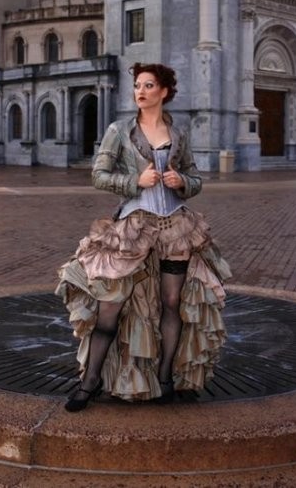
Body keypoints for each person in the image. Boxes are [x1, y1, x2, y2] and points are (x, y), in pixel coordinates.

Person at [56, 62, 231, 412]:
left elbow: (195, 177)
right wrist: (135, 182)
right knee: (110, 307)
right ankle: (89, 382)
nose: (141, 91)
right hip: (132, 227)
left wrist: (182, 182)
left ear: (164, 92)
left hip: (175, 229)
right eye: (138, 85)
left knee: (171, 304)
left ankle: (165, 377)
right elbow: (99, 175)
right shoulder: (119, 130)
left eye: (149, 85)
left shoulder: (178, 134)